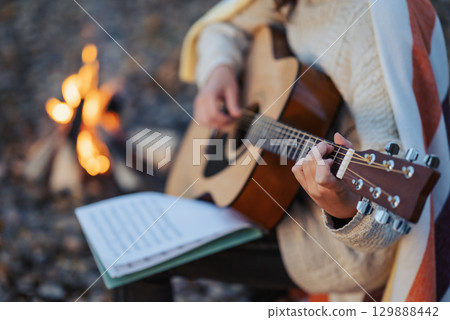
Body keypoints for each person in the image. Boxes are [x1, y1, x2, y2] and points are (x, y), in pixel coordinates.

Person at [116, 0, 450, 301]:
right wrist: (219, 70)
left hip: (333, 245)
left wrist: (340, 205)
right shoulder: (290, 2)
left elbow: (387, 225)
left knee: (135, 258)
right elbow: (222, 27)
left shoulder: (368, 25)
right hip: (274, 190)